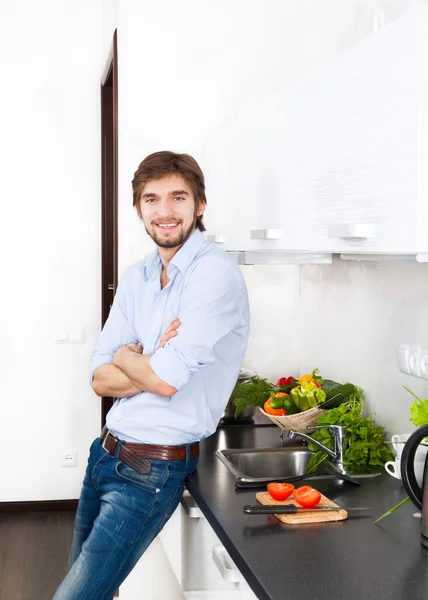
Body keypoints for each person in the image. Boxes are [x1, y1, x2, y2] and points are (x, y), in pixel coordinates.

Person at [52, 151, 250, 599]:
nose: (165, 211)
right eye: (152, 199)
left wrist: (130, 358)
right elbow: (99, 379)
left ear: (200, 205)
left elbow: (165, 382)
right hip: (104, 454)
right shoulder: (137, 277)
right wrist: (148, 359)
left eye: (178, 197)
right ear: (138, 208)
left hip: (151, 470)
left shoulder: (214, 275)